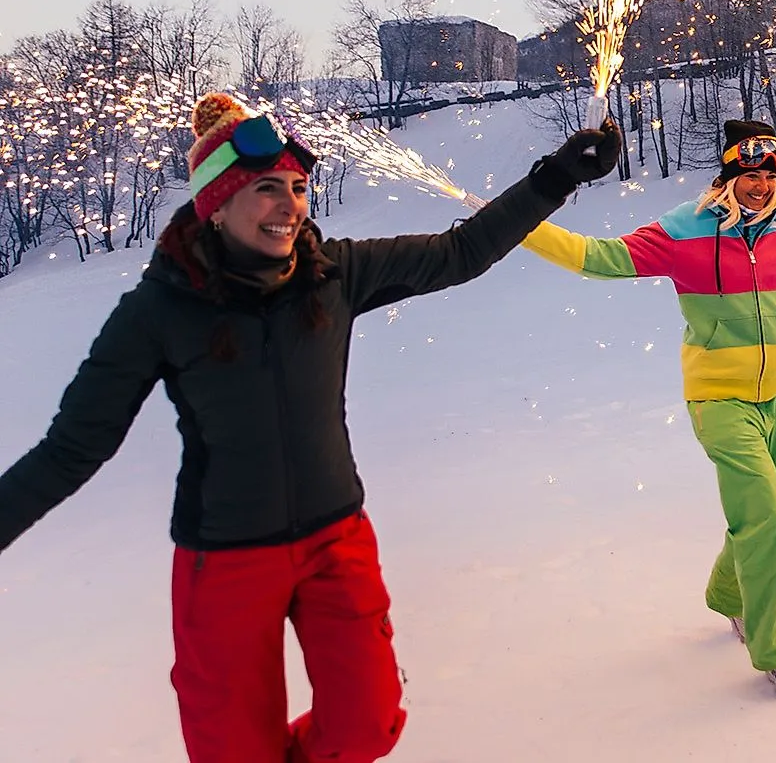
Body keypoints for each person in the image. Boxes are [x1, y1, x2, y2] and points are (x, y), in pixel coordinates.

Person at [0, 92, 620, 762]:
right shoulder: (158, 310)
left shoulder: (335, 273)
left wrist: (556, 177)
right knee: (234, 752)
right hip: (226, 561)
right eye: (267, 188)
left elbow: (459, 252)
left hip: (336, 541)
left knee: (366, 725)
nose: (290, 205)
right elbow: (71, 449)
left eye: (297, 188)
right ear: (216, 205)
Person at [520, 113, 776, 698]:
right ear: (728, 175)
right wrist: (518, 222)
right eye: (750, 174)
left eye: (770, 174)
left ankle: (728, 594)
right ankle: (775, 650)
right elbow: (597, 256)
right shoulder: (686, 229)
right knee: (770, 521)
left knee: (758, 517)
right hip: (718, 398)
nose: (761, 185)